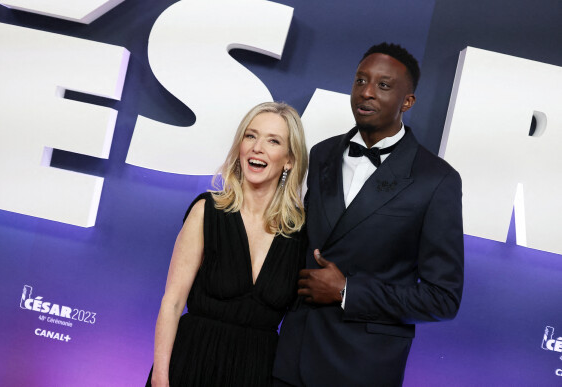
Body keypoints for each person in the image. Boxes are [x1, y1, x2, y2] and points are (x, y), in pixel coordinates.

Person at [273, 43, 464, 386]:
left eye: (383, 85)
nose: (367, 92)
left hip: (362, 367)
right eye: (361, 80)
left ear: (408, 101)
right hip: (292, 358)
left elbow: (443, 299)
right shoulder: (322, 154)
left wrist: (348, 291)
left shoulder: (437, 180)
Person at [146, 102, 308, 387]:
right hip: (191, 364)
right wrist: (161, 377)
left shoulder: (298, 233)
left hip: (256, 373)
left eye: (273, 141)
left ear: (289, 160)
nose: (257, 147)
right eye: (250, 136)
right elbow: (172, 303)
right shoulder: (206, 212)